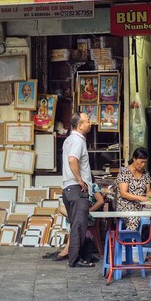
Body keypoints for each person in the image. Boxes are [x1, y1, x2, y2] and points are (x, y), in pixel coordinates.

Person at [62, 112, 95, 268]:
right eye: (88, 121)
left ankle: (79, 256)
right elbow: (72, 159)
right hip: (76, 189)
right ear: (80, 125)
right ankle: (75, 259)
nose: (90, 123)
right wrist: (80, 180)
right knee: (79, 225)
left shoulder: (69, 139)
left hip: (68, 189)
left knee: (76, 224)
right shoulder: (78, 141)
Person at [115, 148, 151, 230]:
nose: (143, 165)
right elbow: (123, 193)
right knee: (135, 218)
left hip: (141, 206)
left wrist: (150, 196)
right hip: (125, 206)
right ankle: (132, 241)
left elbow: (148, 191)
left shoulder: (145, 173)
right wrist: (141, 198)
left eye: (145, 162)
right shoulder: (125, 172)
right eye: (141, 162)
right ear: (134, 159)